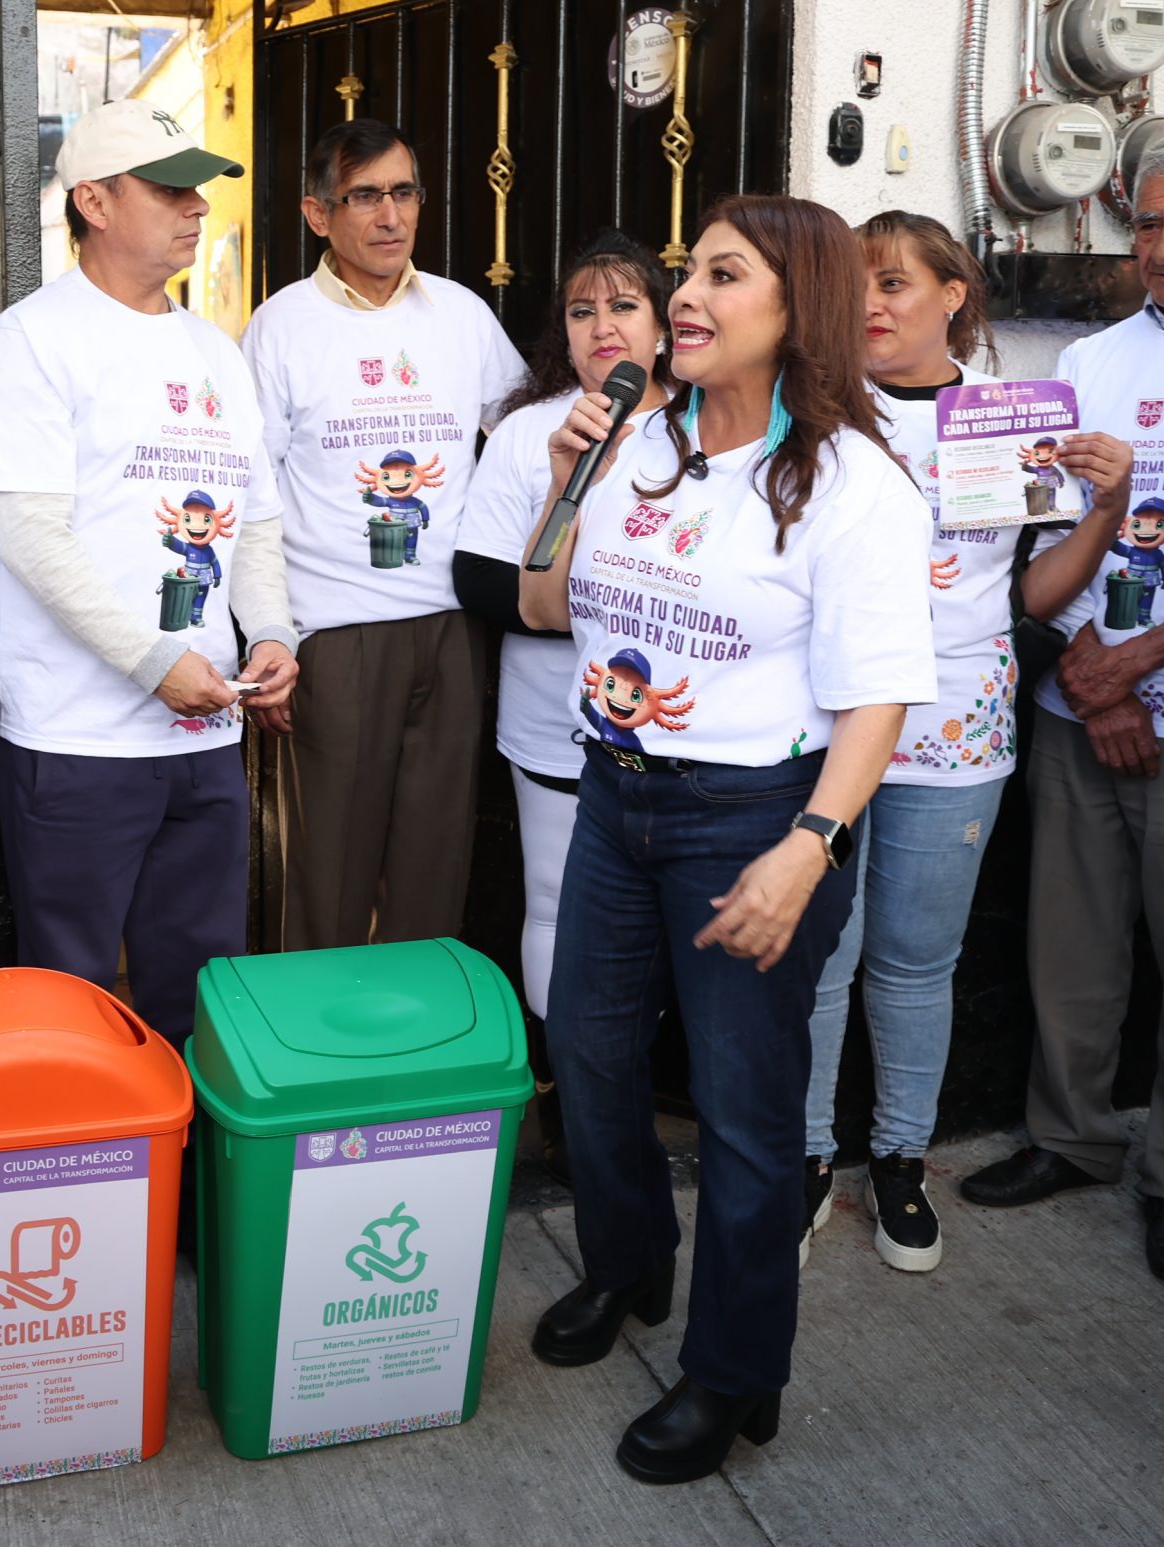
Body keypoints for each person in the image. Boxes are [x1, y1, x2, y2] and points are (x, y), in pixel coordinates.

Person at [521, 197, 935, 1485]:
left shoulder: (854, 483)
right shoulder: (637, 438)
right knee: (589, 1055)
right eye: (686, 273)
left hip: (752, 820)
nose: (684, 297)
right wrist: (566, 483)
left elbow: (880, 696)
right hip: (615, 796)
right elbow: (542, 603)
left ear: (796, 305)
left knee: (745, 1115)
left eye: (722, 275)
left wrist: (809, 846)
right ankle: (627, 1266)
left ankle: (733, 1370)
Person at [956, 121, 1164, 1288]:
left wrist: (1142, 660)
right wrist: (1090, 673)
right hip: (1076, 698)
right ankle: (1070, 1136)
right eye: (1146, 222)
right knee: (1070, 941)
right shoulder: (1088, 361)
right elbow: (1038, 530)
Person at [799, 213, 1132, 1272]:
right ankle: (804, 1159)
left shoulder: (1005, 420)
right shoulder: (812, 414)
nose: (868, 303)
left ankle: (900, 1158)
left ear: (954, 294)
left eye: (893, 282)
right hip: (825, 717)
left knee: (916, 959)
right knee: (819, 956)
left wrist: (1106, 508)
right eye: (853, 283)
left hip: (955, 723)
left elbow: (1029, 595)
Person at [0, 99, 296, 1051]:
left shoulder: (215, 351)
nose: (197, 207)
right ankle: (82, 1150)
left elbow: (255, 520)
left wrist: (272, 633)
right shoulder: (33, 339)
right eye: (168, 189)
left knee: (196, 991)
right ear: (95, 202)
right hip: (79, 738)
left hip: (204, 730)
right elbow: (31, 536)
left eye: (199, 189)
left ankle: (182, 1151)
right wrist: (153, 662)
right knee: (67, 996)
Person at [244, 118, 525, 951]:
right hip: (335, 637)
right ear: (317, 214)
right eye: (364, 196)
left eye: (404, 192)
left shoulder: (462, 315)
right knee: (326, 871)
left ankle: (421, 1030)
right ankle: (319, 1030)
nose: (391, 215)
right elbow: (252, 497)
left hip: (451, 628)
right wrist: (268, 631)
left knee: (435, 867)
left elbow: (519, 442)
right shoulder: (281, 327)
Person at [451, 231, 674, 1170]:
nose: (602, 327)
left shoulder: (710, 426)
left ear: (664, 324)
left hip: (680, 733)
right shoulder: (529, 433)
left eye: (623, 306)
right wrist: (619, 611)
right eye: (583, 311)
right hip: (553, 723)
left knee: (660, 916)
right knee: (554, 902)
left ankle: (636, 1086)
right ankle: (569, 1097)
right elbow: (482, 581)